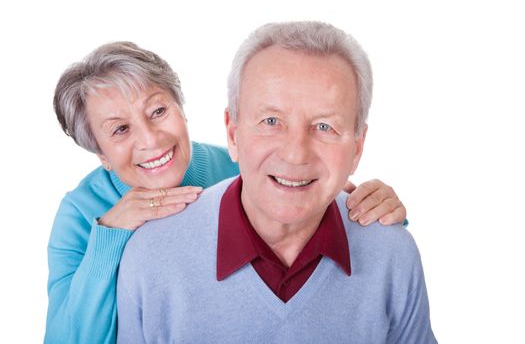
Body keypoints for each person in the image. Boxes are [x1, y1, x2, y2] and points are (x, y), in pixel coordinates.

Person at [45, 42, 408, 344]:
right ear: (101, 155)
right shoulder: (81, 213)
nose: (151, 139)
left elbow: (335, 207)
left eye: (158, 111)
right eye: (120, 130)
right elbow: (66, 339)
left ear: (182, 110)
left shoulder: (246, 164)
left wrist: (378, 209)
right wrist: (110, 234)